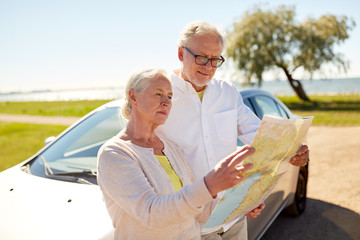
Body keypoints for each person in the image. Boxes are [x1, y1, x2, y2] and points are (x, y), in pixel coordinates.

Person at [156, 21, 310, 240]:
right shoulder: (160, 94)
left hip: (232, 220)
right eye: (201, 57)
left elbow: (260, 136)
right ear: (181, 53)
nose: (208, 67)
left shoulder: (227, 93)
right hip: (187, 226)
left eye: (215, 59)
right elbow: (140, 150)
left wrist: (294, 149)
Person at [97, 67, 256, 240]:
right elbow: (151, 213)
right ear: (133, 97)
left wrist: (239, 204)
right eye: (158, 94)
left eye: (170, 96)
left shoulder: (169, 147)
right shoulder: (115, 153)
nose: (165, 102)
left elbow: (197, 210)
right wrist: (209, 185)